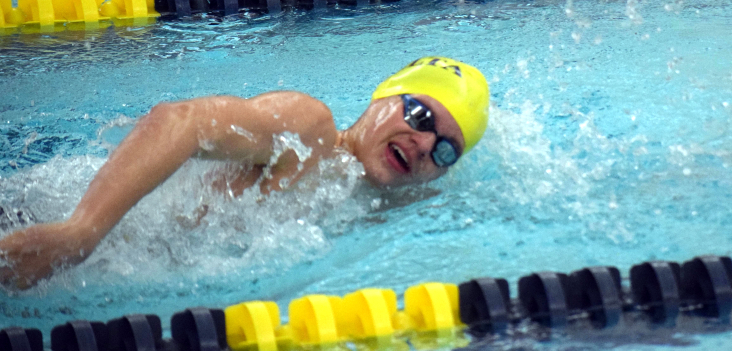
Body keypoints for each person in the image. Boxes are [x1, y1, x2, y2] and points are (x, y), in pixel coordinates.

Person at [0, 56, 489, 289]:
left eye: (446, 150)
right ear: (383, 98)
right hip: (38, 217)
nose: (424, 144)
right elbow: (180, 121)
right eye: (420, 116)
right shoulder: (308, 132)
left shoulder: (380, 209)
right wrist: (80, 231)